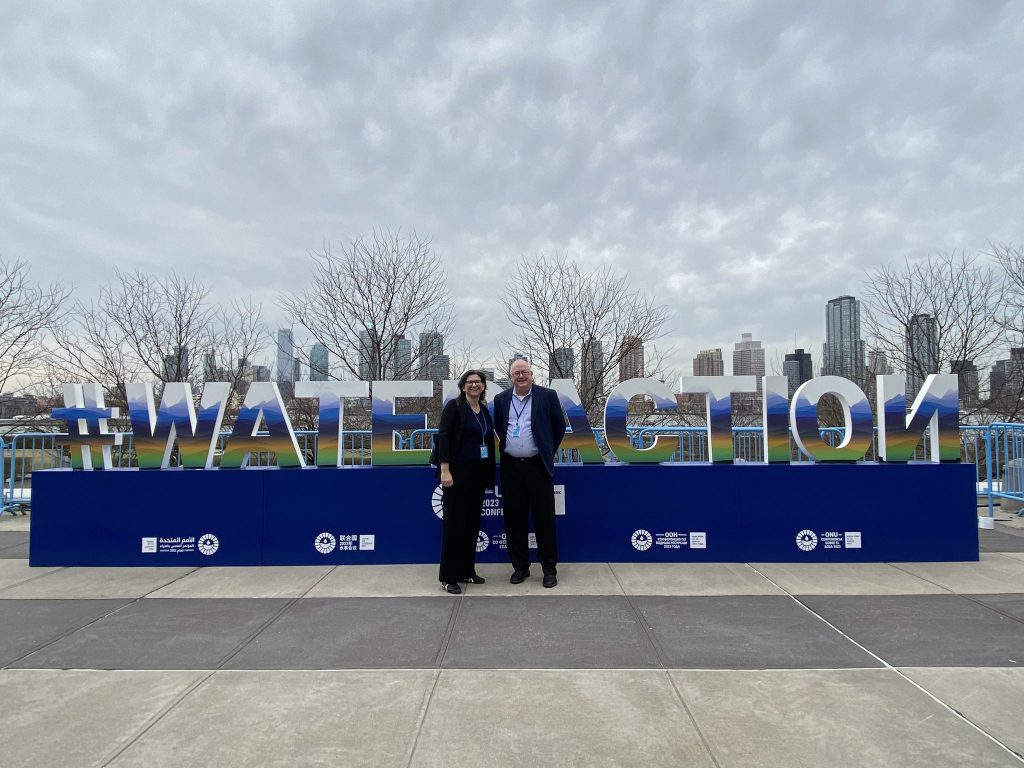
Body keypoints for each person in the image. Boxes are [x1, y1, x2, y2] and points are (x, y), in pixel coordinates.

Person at [492, 358, 566, 587]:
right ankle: (520, 567)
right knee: (514, 519)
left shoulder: (547, 396)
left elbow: (559, 427)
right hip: (511, 467)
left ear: (532, 374)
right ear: (510, 376)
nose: (521, 376)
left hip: (538, 466)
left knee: (544, 519)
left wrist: (546, 450)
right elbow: (498, 426)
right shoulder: (501, 399)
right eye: (516, 373)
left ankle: (549, 569)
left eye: (524, 372)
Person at [435, 369, 497, 594]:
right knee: (454, 526)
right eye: (470, 382)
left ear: (483, 386)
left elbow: (488, 442)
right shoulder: (455, 407)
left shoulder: (484, 410)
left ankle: (467, 571)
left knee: (471, 525)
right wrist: (445, 470)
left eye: (478, 382)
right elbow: (444, 436)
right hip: (456, 475)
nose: (474, 385)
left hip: (478, 475)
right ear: (463, 386)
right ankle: (449, 577)